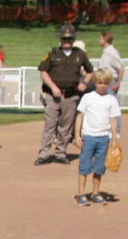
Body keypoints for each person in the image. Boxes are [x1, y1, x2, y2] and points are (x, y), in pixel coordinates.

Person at [35, 24, 93, 165]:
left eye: (69, 38)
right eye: (64, 39)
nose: (67, 41)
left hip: (71, 95)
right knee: (50, 125)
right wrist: (53, 87)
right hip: (53, 95)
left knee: (66, 126)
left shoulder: (79, 54)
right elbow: (43, 72)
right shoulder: (53, 53)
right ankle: (44, 153)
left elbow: (90, 71)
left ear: (73, 39)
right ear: (60, 39)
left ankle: (61, 153)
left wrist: (84, 83)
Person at [71, 69, 121, 206]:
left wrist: (114, 138)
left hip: (104, 137)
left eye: (105, 83)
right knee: (84, 166)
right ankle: (81, 193)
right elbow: (79, 116)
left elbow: (113, 120)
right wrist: (77, 135)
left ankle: (95, 193)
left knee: (99, 167)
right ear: (95, 82)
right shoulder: (88, 97)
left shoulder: (111, 99)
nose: (102, 85)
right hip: (89, 137)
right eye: (100, 82)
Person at [97, 31, 125, 136]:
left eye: (100, 38)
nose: (99, 40)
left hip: (110, 83)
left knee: (113, 107)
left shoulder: (111, 52)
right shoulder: (106, 52)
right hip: (103, 82)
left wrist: (118, 83)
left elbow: (121, 67)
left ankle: (116, 130)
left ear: (105, 39)